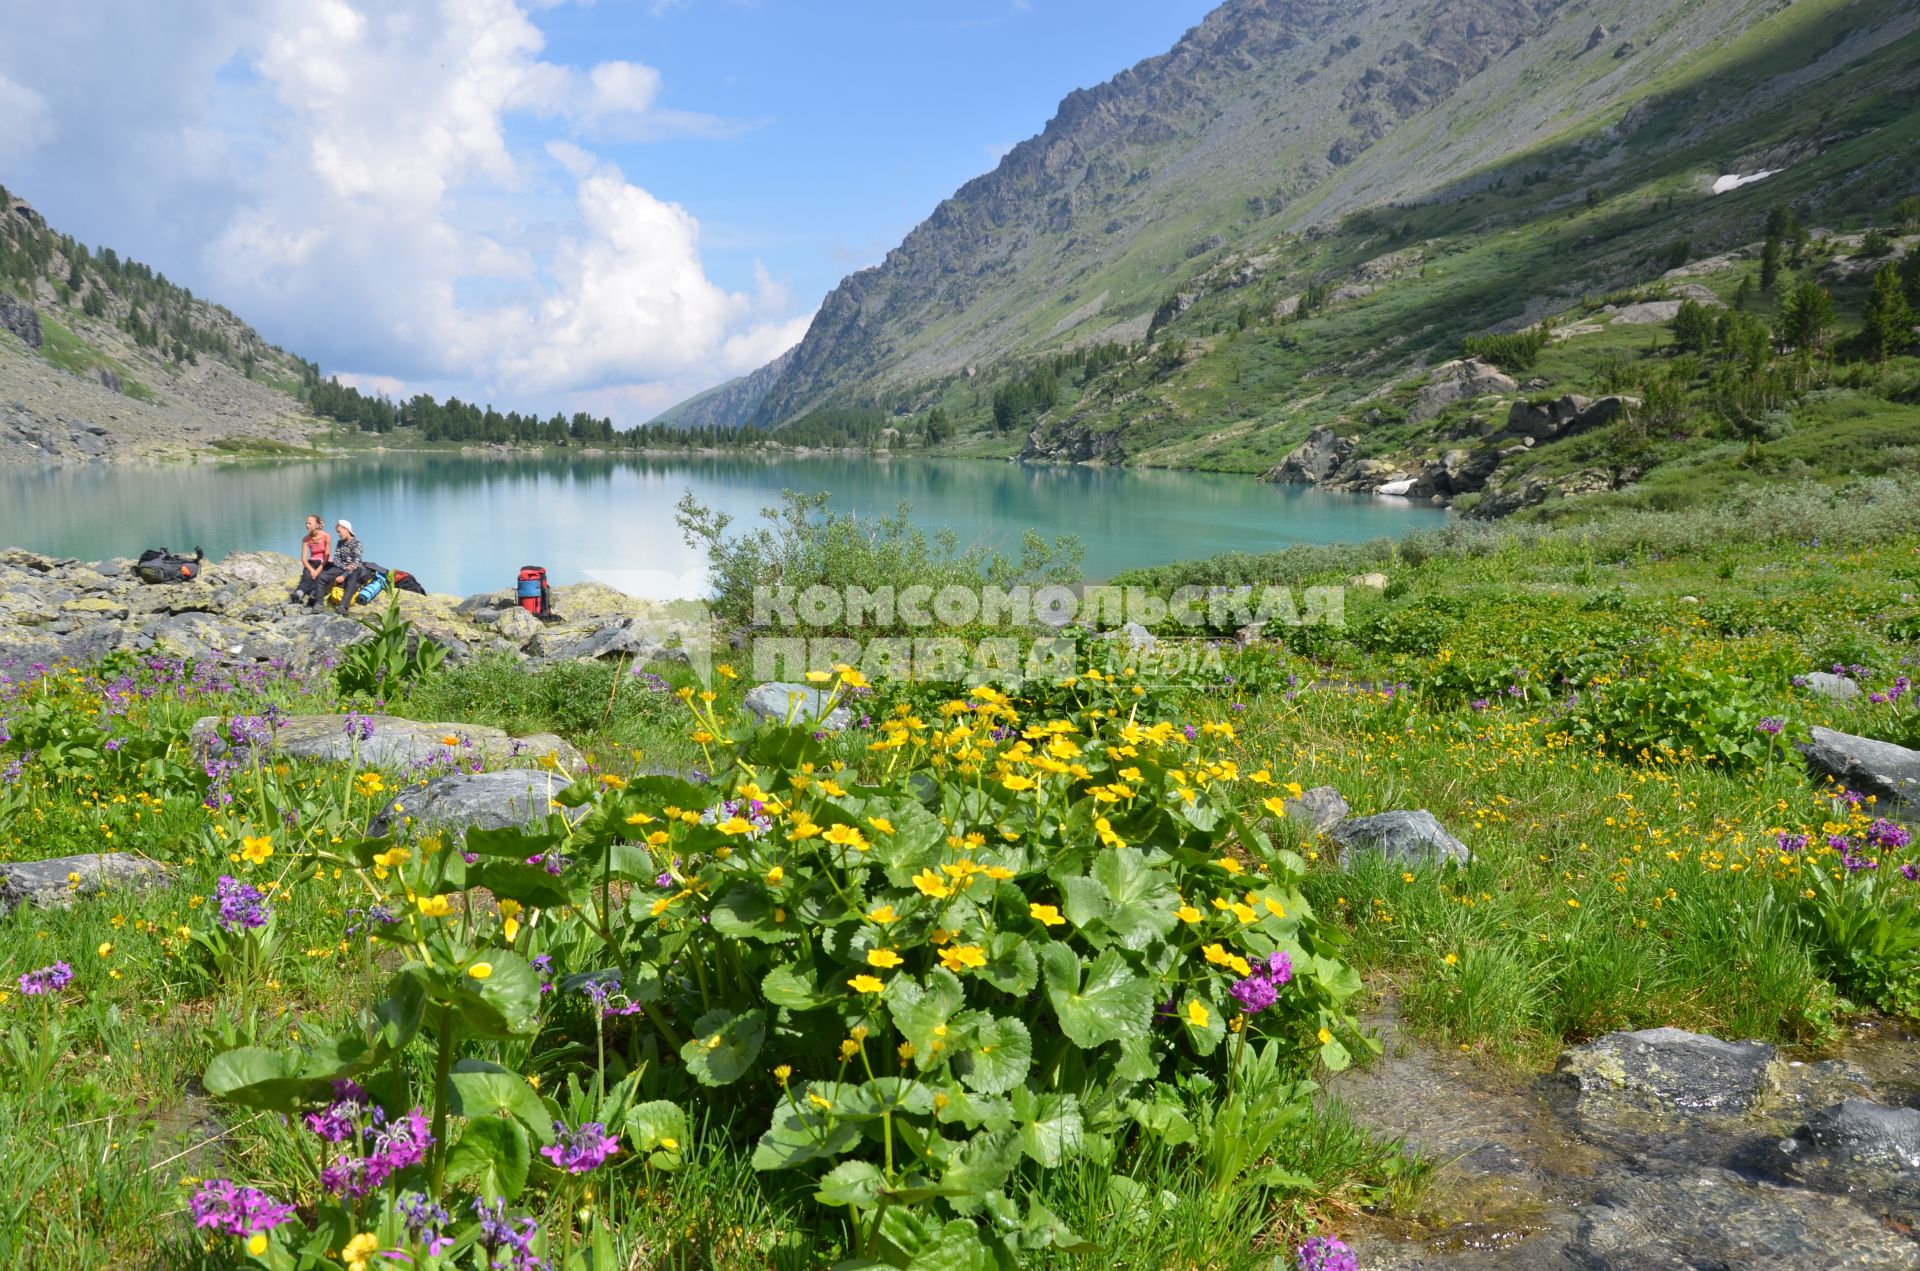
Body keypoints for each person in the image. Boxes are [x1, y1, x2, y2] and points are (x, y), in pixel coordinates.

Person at [320, 518, 372, 615]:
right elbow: (336, 560)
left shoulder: (357, 544)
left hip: (356, 570)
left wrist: (344, 575)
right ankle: (317, 598)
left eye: (339, 532)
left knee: (352, 579)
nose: (338, 534)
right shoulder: (340, 543)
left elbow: (355, 563)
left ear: (346, 530)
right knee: (326, 572)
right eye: (337, 532)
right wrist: (345, 567)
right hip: (342, 568)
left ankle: (343, 606)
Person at [290, 514, 331, 606]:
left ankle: (313, 594)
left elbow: (327, 556)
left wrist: (318, 571)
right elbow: (304, 559)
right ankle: (298, 594)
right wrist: (312, 570)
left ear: (317, 525)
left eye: (309, 523)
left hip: (324, 562)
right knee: (307, 576)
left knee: (321, 578)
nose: (307, 525)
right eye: (306, 523)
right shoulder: (305, 539)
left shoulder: (326, 536)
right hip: (312, 562)